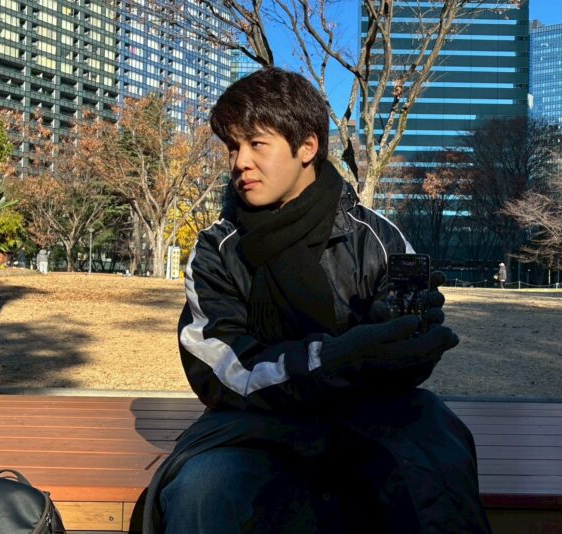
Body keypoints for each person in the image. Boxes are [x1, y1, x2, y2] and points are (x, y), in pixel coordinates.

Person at [143, 67, 491, 534]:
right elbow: (222, 371)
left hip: (371, 417)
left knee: (434, 469)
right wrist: (332, 359)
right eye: (232, 147)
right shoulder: (217, 250)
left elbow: (405, 365)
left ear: (307, 147)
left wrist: (410, 339)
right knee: (204, 489)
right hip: (252, 425)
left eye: (256, 144)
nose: (240, 162)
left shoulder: (377, 238)